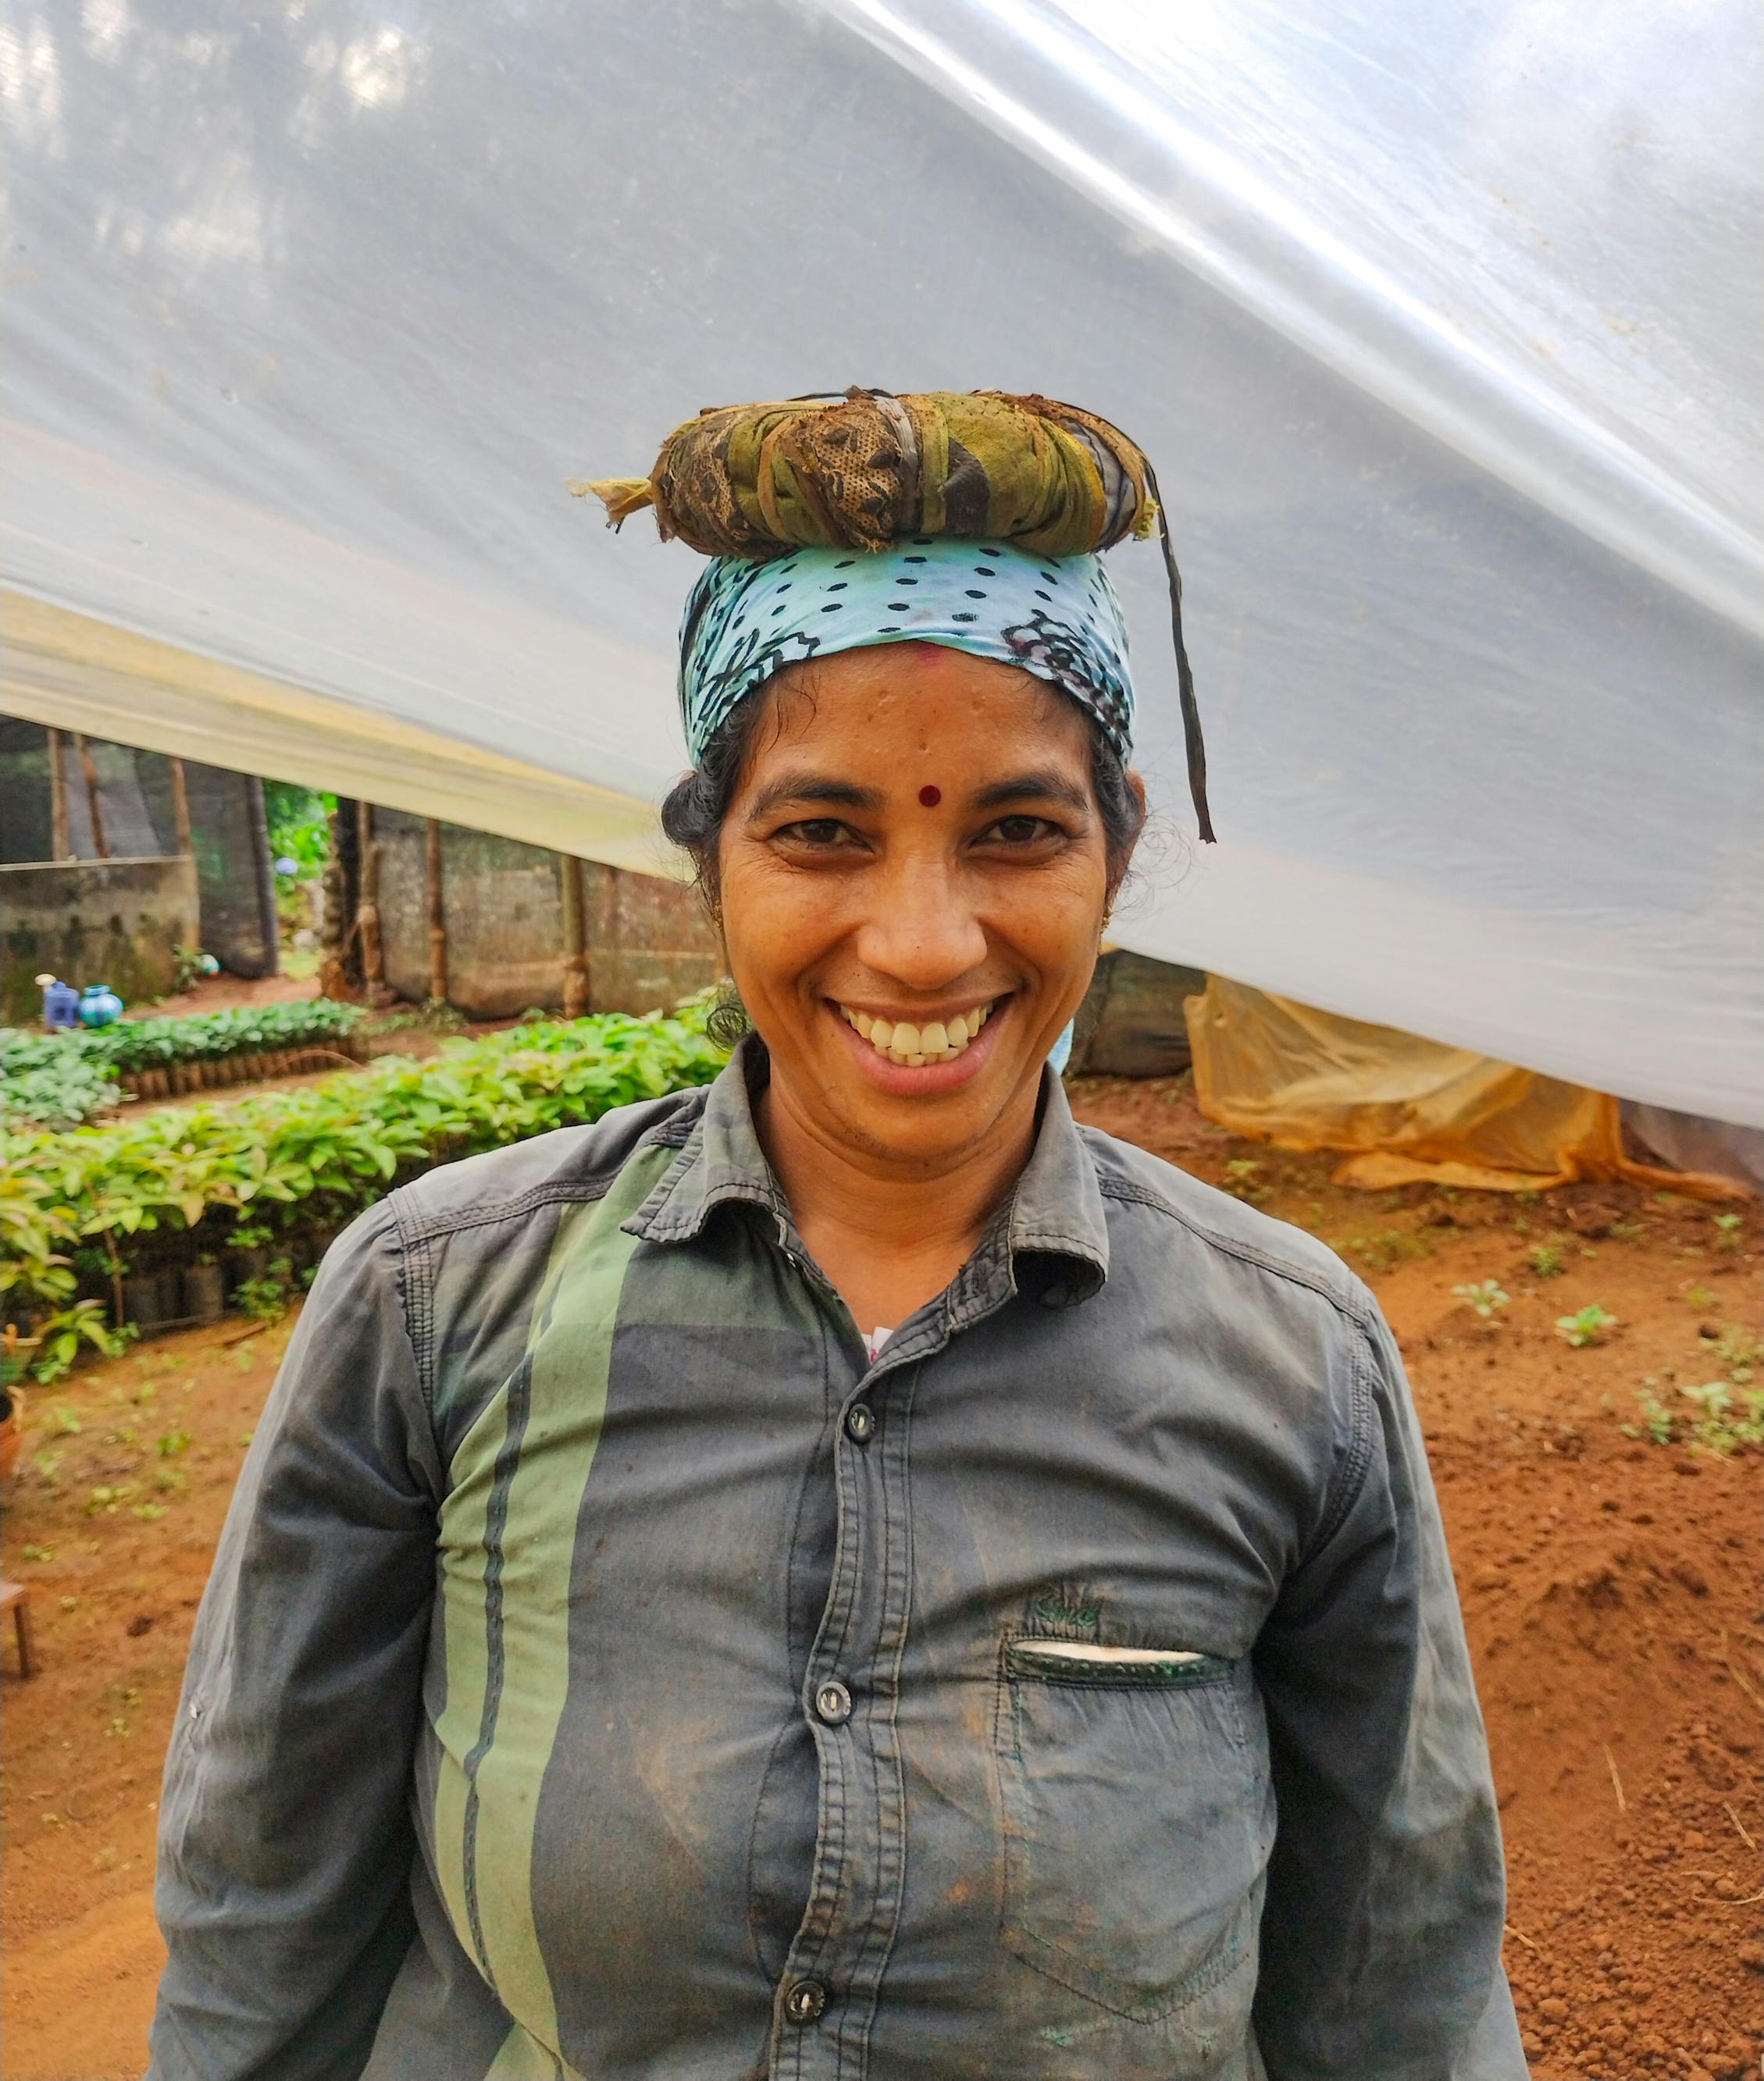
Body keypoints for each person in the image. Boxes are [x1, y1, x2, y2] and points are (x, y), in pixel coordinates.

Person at [148, 391, 1525, 2079]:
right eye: (821, 834)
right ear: (705, 861)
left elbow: (1401, 1984)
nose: (924, 941)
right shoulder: (438, 1306)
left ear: (1115, 855)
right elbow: (259, 1931)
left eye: (1016, 830)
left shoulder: (1288, 1357)